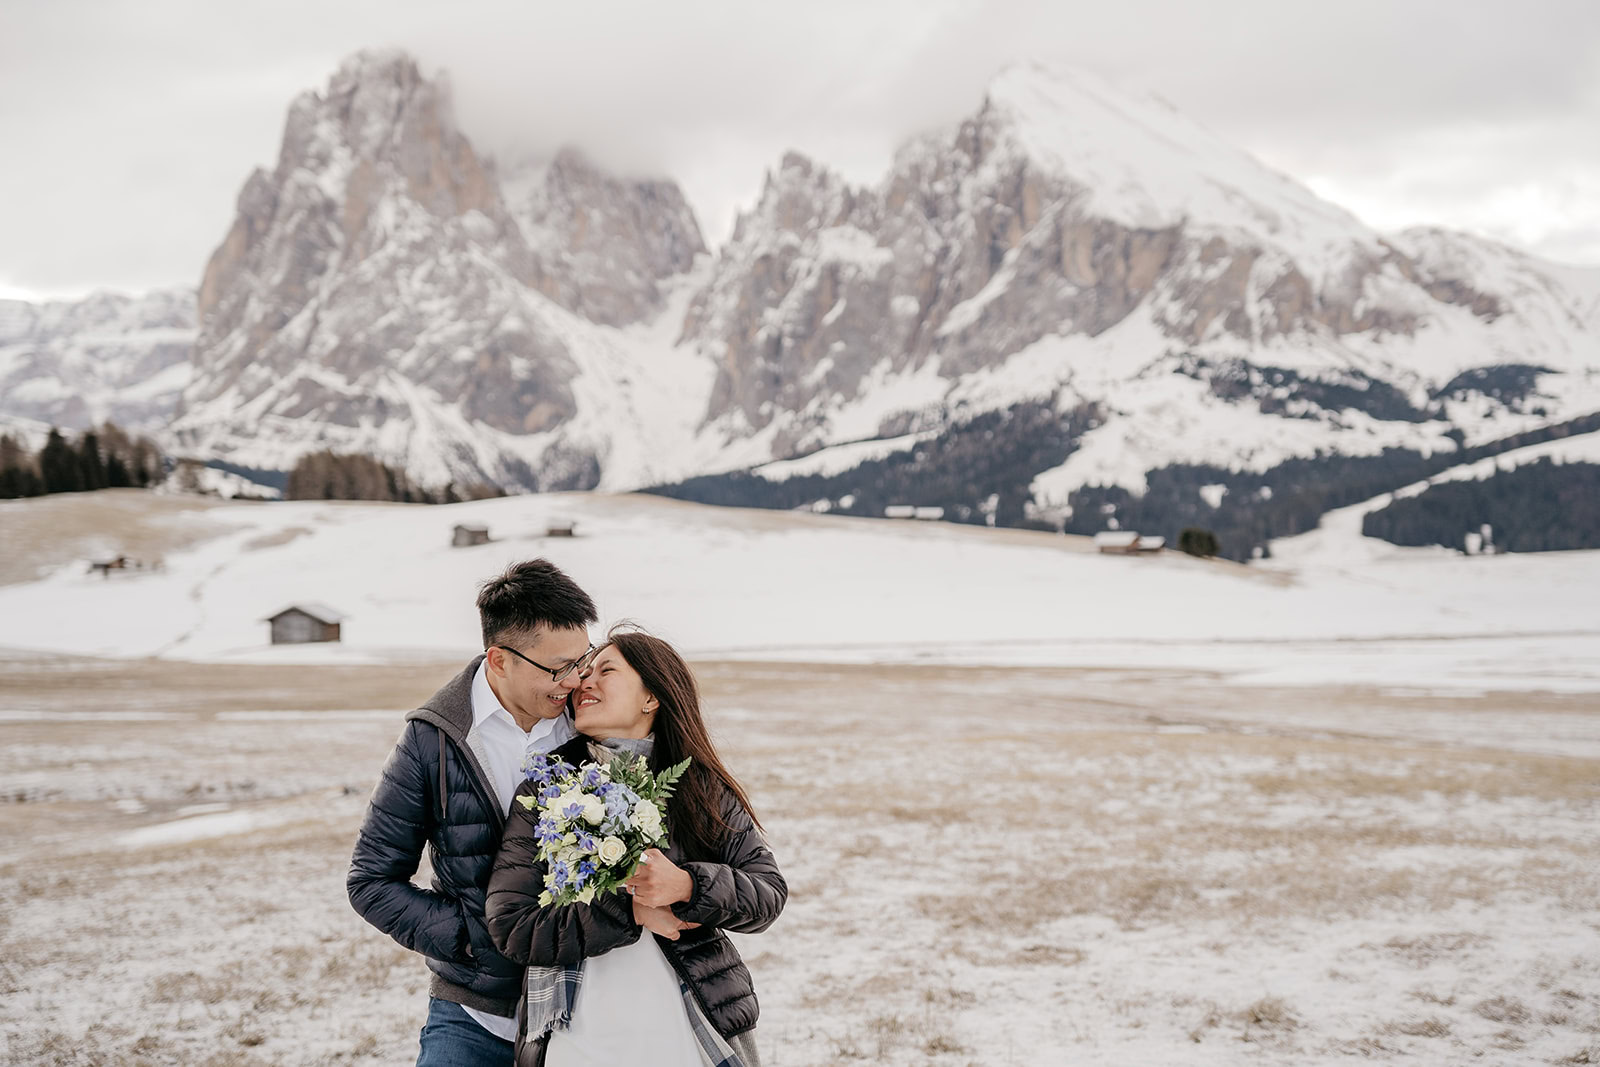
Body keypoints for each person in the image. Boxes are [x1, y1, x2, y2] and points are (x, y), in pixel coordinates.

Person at [486, 628, 786, 1067]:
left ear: (652, 697)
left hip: (685, 1020)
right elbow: (512, 925)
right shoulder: (547, 788)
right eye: (581, 673)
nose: (582, 682)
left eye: (604, 671)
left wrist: (686, 885)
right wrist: (627, 909)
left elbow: (767, 894)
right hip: (576, 1028)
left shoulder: (700, 787)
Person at [348, 559, 600, 1067]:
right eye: (556, 669)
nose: (573, 681)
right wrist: (468, 937)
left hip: (591, 1006)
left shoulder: (591, 722)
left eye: (582, 660)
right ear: (499, 659)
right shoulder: (432, 740)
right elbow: (371, 881)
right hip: (476, 1012)